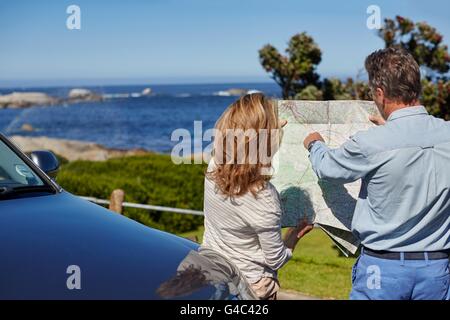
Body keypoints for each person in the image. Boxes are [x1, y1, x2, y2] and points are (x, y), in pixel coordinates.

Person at [303, 47, 450, 300]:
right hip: (438, 269)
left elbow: (328, 168)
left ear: (380, 94)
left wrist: (314, 144)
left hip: (382, 269)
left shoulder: (371, 143)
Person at [202, 93, 312, 300]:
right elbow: (275, 260)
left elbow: (241, 144)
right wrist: (294, 235)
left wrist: (267, 130)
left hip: (212, 272)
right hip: (250, 287)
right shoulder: (264, 197)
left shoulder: (214, 166)